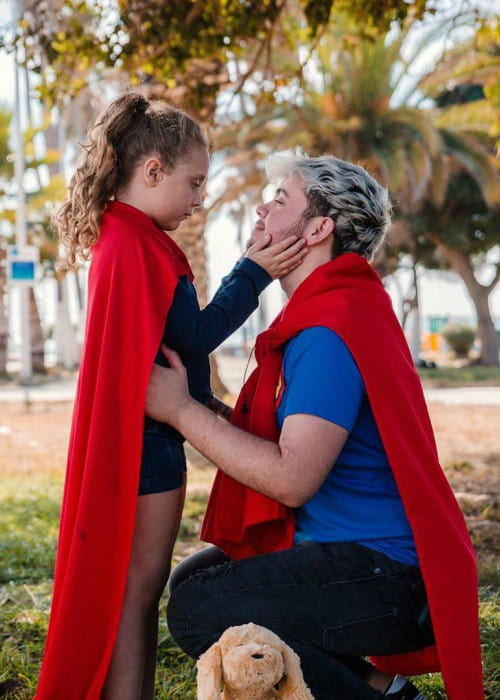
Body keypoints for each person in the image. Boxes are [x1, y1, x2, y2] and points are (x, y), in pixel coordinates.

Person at [145, 152, 484, 700]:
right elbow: (291, 441)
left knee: (201, 608)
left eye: (280, 200)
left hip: (389, 576)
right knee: (195, 582)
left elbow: (292, 477)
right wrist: (202, 408)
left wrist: (180, 411)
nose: (261, 208)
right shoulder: (340, 306)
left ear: (319, 228)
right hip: (372, 560)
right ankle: (386, 689)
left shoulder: (329, 330)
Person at [34, 95, 306, 700]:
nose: (199, 199)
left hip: (133, 439)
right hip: (150, 451)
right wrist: (253, 271)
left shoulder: (119, 237)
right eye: (193, 182)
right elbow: (198, 335)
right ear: (152, 170)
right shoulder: (143, 246)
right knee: (138, 593)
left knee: (125, 588)